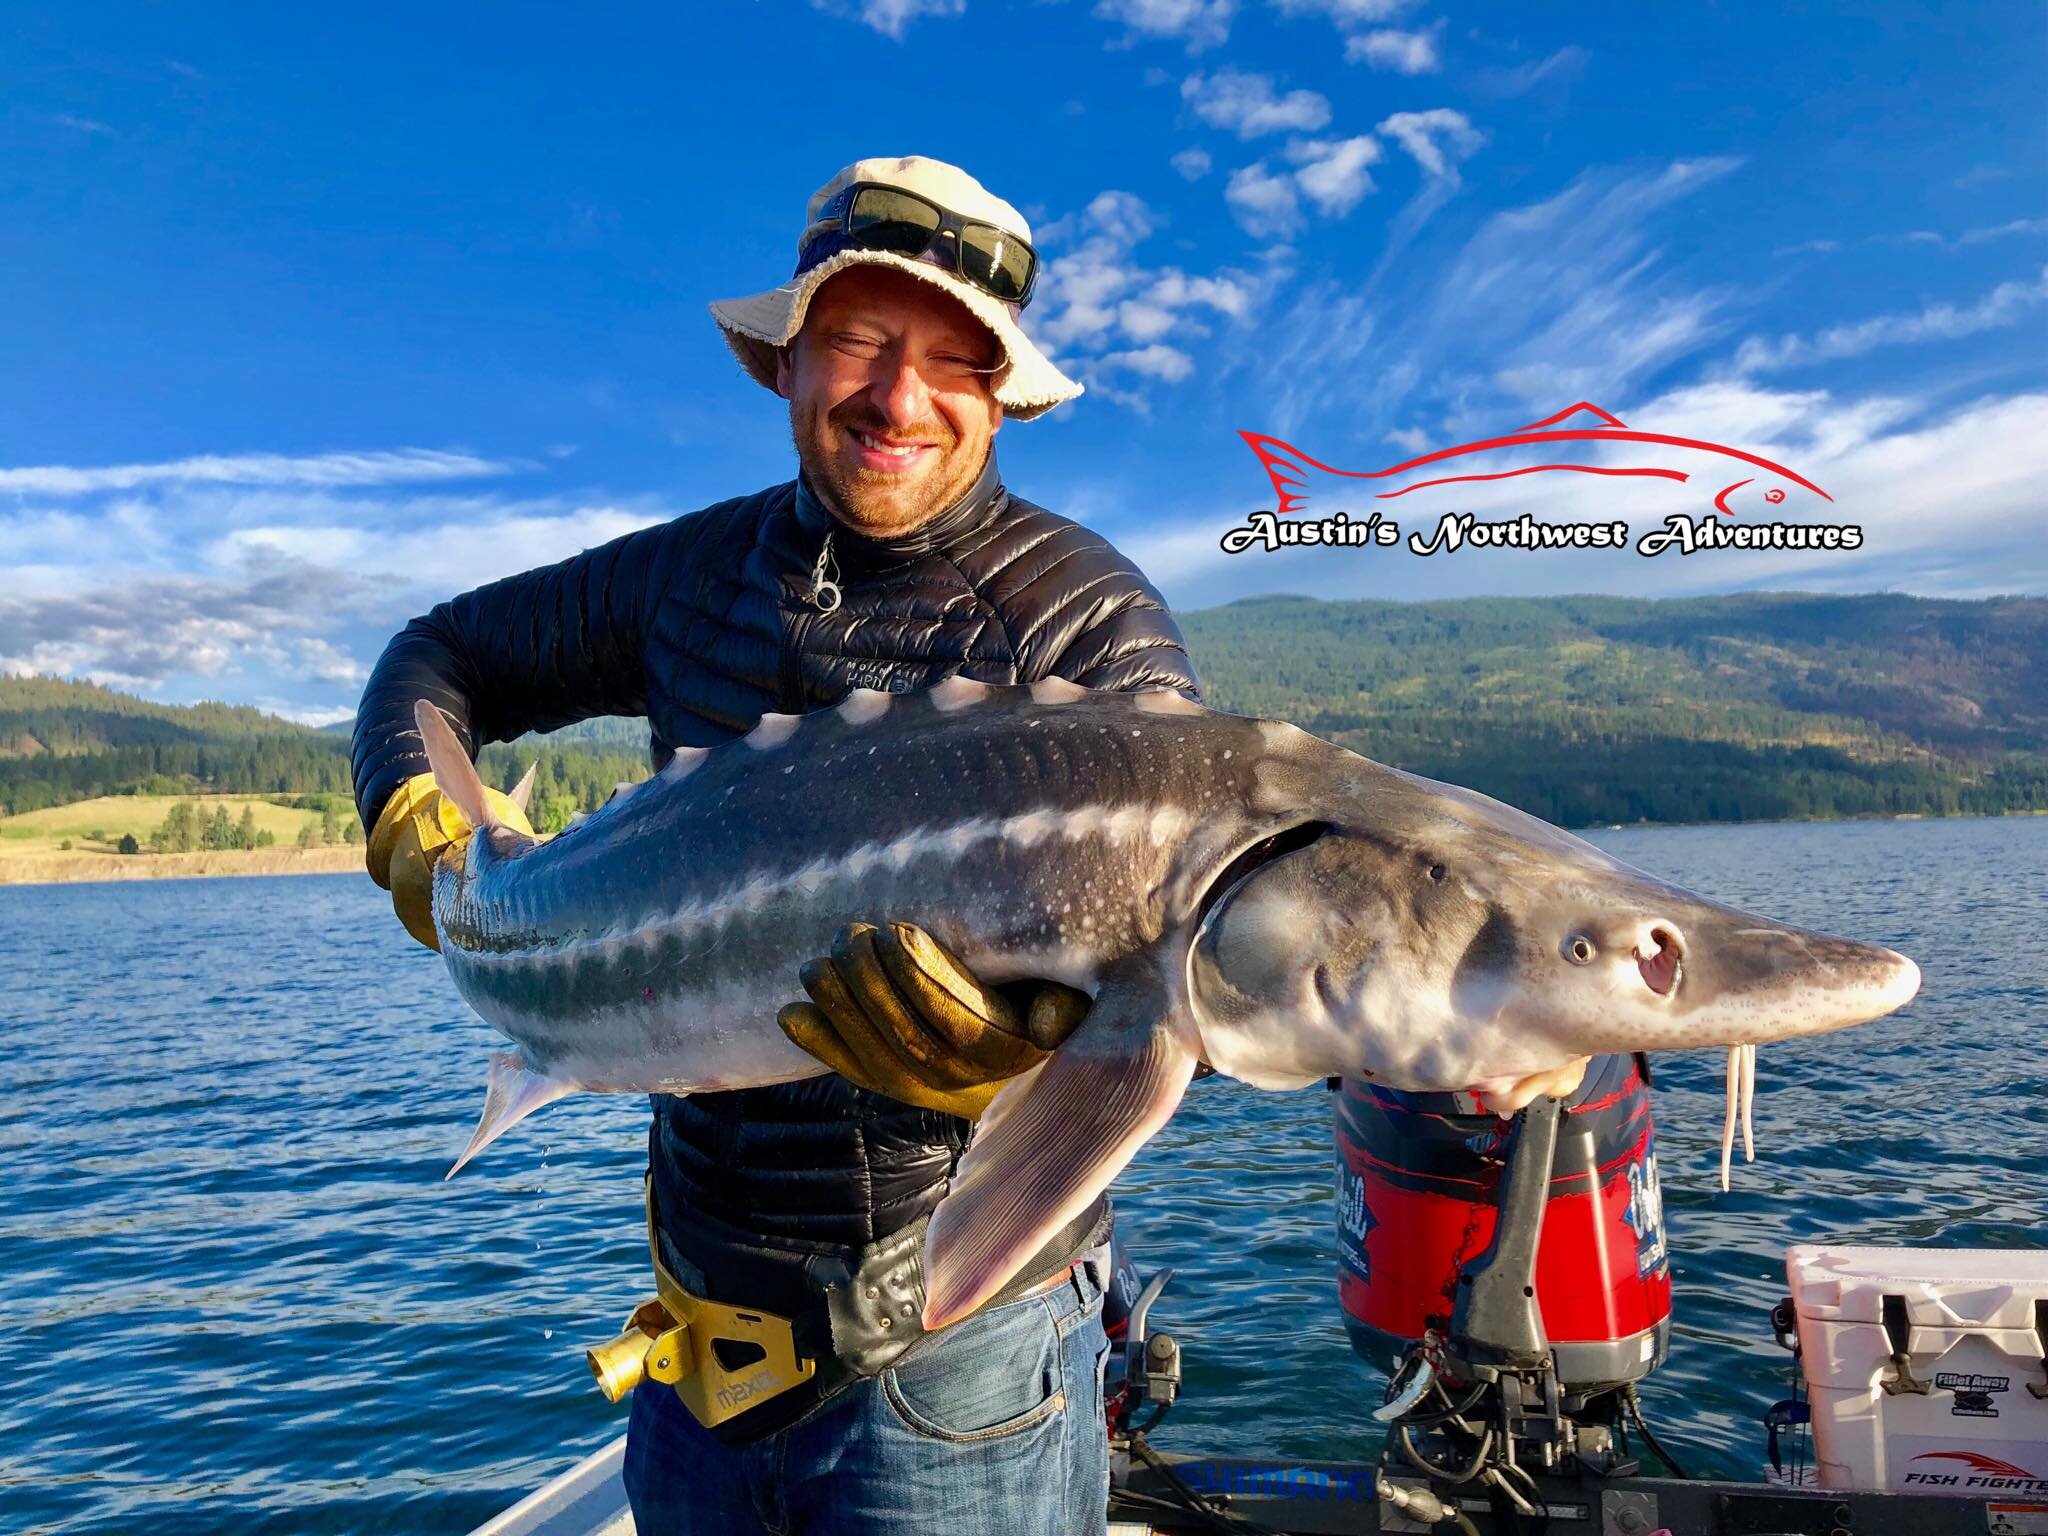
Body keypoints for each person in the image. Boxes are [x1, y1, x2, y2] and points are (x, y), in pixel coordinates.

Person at [351, 154, 1199, 1536]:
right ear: (789, 361)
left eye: (952, 360)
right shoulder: (685, 575)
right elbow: (434, 655)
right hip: (695, 1357)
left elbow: (1176, 970)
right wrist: (420, 818)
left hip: (956, 1373)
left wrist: (1013, 1057)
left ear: (1000, 394)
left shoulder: (1088, 629)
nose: (898, 397)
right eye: (861, 340)